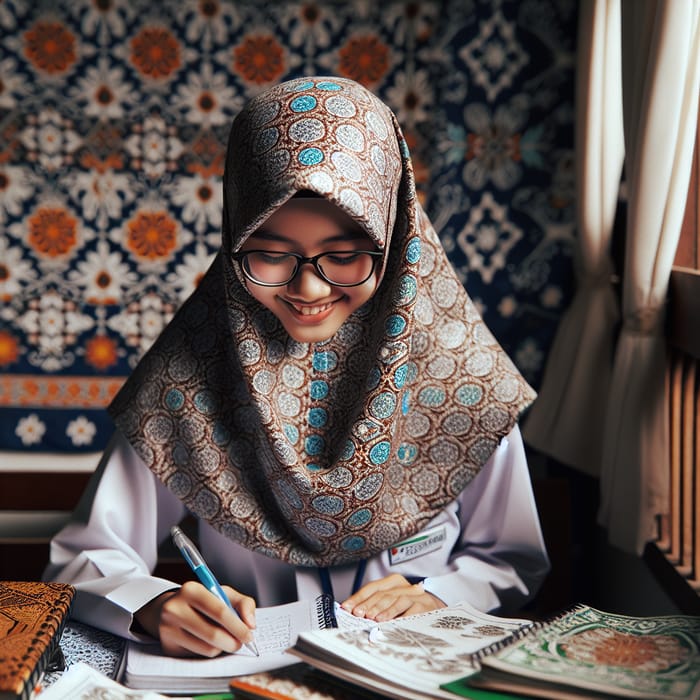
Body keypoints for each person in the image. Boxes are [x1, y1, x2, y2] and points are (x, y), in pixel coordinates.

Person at [45, 76, 549, 658]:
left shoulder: (466, 382)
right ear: (235, 232)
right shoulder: (186, 380)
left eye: (343, 254)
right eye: (270, 252)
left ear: (396, 235)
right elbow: (86, 558)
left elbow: (509, 559)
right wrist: (152, 605)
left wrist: (446, 595)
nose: (308, 287)